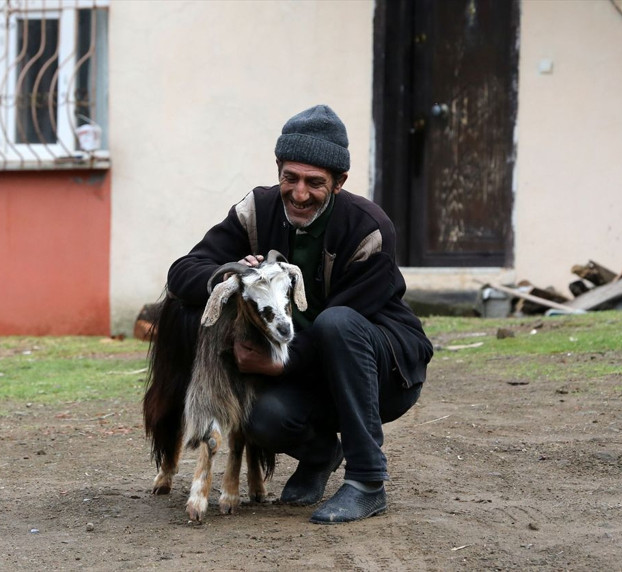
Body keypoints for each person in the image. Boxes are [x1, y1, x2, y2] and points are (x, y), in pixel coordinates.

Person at [165, 104, 433, 524]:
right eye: (290, 177)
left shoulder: (370, 229)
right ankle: (321, 453)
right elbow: (182, 271)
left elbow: (340, 330)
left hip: (383, 373)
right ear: (278, 169)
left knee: (336, 323)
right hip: (305, 373)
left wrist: (278, 362)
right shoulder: (256, 210)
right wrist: (232, 272)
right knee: (252, 414)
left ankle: (367, 482)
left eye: (315, 182)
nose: (300, 193)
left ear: (340, 182)